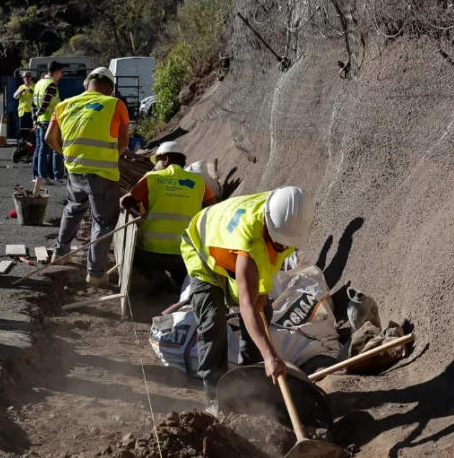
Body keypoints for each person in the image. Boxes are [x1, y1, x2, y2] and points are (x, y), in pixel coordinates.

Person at [180, 186, 315, 407]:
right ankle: (214, 394)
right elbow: (246, 305)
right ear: (269, 224)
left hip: (230, 247)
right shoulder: (248, 241)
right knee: (214, 316)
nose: (283, 247)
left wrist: (260, 292)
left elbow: (266, 262)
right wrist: (271, 357)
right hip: (201, 248)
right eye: (279, 242)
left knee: (265, 311)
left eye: (286, 244)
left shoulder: (285, 215)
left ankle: (250, 379)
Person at [46, 67, 130, 287]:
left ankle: (61, 253)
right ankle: (95, 273)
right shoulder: (115, 104)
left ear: (86, 84)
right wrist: (108, 158)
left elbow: (49, 137)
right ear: (110, 88)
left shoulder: (64, 105)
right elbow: (123, 143)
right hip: (103, 173)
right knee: (103, 221)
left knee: (73, 208)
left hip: (74, 168)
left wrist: (66, 154)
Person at [120, 141, 215, 292]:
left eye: (156, 161)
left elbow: (125, 202)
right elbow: (213, 209)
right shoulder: (199, 182)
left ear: (165, 159)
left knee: (132, 252)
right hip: (183, 253)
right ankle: (180, 285)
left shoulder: (151, 178)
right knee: (182, 275)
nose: (155, 165)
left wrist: (134, 213)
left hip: (150, 252)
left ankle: (158, 277)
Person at [32, 60, 63, 184]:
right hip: (49, 120)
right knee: (52, 148)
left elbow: (33, 103)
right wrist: (39, 113)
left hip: (41, 121)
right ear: (56, 72)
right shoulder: (51, 85)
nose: (61, 76)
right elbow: (45, 102)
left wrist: (35, 117)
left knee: (41, 149)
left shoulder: (39, 83)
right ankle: (46, 176)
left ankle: (40, 175)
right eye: (61, 73)